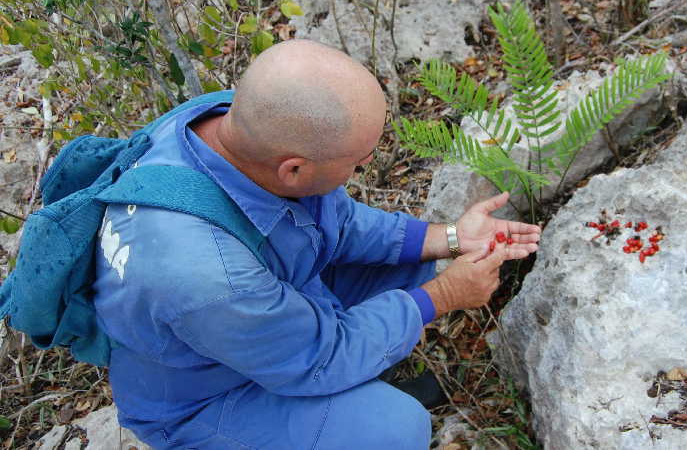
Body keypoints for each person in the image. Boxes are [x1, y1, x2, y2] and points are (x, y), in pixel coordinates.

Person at [92, 39, 541, 449]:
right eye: (358, 162)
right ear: (293, 171)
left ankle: (344, 399)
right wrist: (445, 296)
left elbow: (337, 221)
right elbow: (320, 355)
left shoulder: (223, 125)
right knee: (396, 428)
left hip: (254, 321)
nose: (362, 169)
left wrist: (448, 239)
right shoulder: (209, 274)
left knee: (409, 263)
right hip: (202, 396)